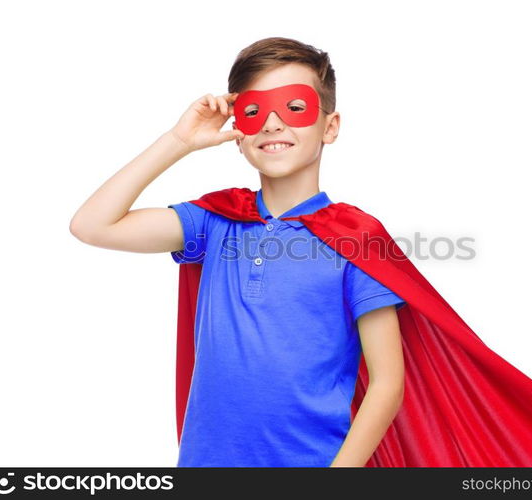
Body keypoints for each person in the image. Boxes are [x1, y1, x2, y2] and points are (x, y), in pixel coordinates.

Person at [69, 36, 407, 467]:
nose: (271, 124)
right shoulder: (215, 222)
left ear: (330, 126)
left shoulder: (356, 238)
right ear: (238, 132)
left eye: (294, 108)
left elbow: (387, 382)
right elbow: (92, 225)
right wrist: (180, 140)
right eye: (253, 112)